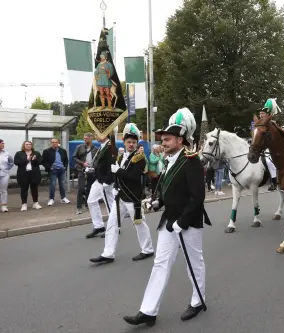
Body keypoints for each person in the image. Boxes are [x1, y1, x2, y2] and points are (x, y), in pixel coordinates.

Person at [124, 108, 211, 326]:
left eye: (167, 138)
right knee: (160, 263)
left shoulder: (191, 161)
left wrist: (182, 222)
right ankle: (148, 311)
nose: (163, 142)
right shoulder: (169, 160)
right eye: (162, 139)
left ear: (180, 139)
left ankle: (197, 301)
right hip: (169, 222)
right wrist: (157, 202)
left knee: (194, 262)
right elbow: (167, 189)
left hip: (187, 222)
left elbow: (197, 196)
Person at [90, 123, 154, 263]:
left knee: (139, 223)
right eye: (128, 142)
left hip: (132, 197)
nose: (131, 144)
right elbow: (119, 176)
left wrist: (117, 171)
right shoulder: (121, 157)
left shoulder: (139, 158)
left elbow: (134, 177)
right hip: (120, 197)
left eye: (133, 142)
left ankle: (147, 249)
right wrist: (115, 185)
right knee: (112, 224)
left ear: (137, 143)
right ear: (124, 142)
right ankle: (108, 253)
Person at [85, 134, 115, 238]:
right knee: (91, 201)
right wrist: (93, 169)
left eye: (98, 134)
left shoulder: (110, 146)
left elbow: (112, 164)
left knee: (110, 205)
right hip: (99, 179)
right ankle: (98, 226)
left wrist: (109, 180)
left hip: (106, 181)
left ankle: (115, 227)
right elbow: (101, 163)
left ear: (105, 135)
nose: (96, 136)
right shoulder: (103, 146)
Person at [73, 133, 98, 214]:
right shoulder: (79, 147)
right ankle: (79, 207)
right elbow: (74, 157)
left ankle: (87, 204)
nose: (85, 139)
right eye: (84, 138)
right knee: (81, 188)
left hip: (91, 171)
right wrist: (82, 163)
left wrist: (94, 166)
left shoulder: (95, 149)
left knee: (90, 189)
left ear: (91, 138)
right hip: (82, 170)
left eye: (86, 138)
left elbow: (97, 160)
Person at [14, 141, 43, 211]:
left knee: (34, 188)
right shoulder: (19, 153)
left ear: (32, 146)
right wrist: (27, 160)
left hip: (34, 174)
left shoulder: (36, 153)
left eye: (30, 144)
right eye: (26, 144)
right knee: (24, 189)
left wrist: (35, 159)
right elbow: (16, 162)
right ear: (24, 145)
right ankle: (24, 204)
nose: (28, 145)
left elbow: (40, 162)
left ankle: (35, 203)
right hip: (23, 174)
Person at [42, 138, 70, 206]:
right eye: (53, 142)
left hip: (61, 169)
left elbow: (66, 160)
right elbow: (43, 161)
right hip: (53, 170)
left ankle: (63, 198)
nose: (54, 143)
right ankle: (51, 199)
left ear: (58, 143)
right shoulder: (46, 151)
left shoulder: (63, 151)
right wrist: (49, 167)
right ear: (51, 143)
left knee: (62, 185)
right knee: (53, 185)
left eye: (56, 142)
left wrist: (64, 167)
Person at [259, 102, 278, 191]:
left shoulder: (272, 123)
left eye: (263, 113)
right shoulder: (258, 124)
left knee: (269, 160)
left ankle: (274, 181)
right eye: (260, 113)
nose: (261, 115)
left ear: (267, 115)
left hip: (271, 146)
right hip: (259, 146)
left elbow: (275, 136)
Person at [0, 139, 14, 212]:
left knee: (3, 190)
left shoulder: (6, 153)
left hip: (4, 174)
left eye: (3, 143)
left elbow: (11, 162)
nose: (3, 144)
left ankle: (4, 206)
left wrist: (7, 169)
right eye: (2, 143)